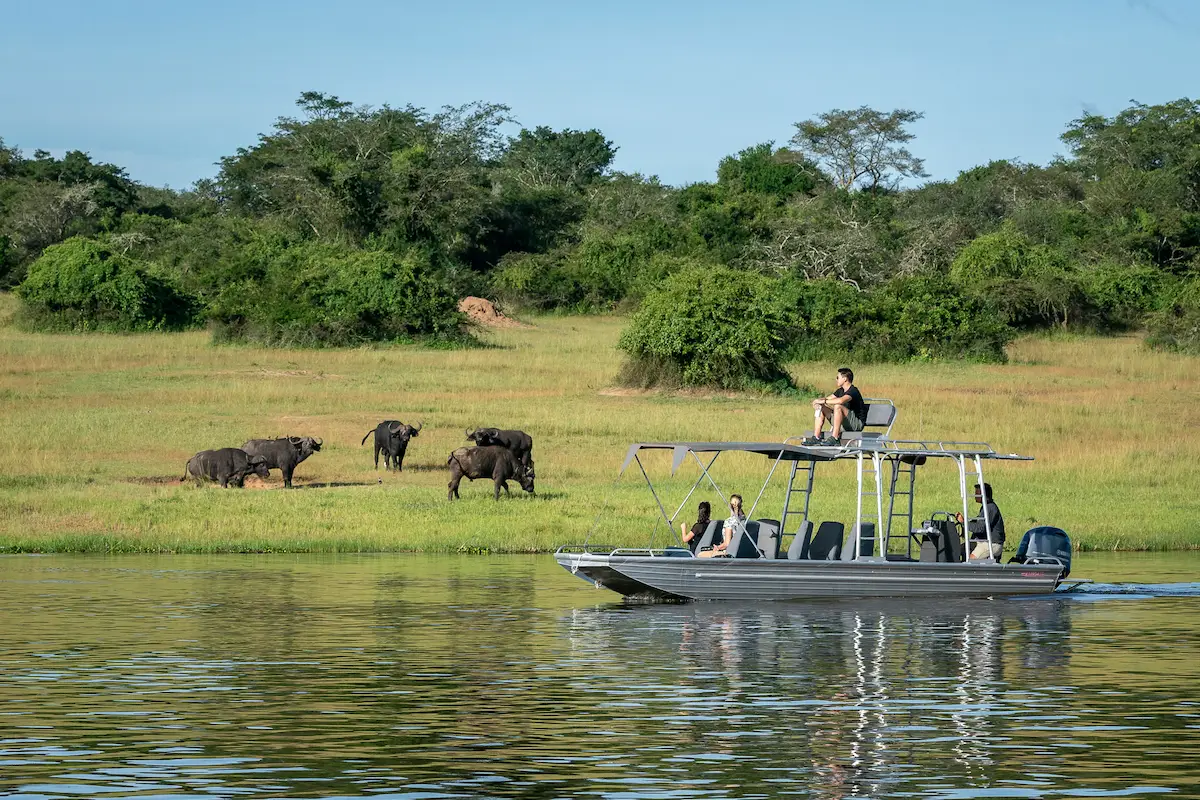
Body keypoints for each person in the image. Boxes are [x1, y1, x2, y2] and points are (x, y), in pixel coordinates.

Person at [804, 368, 867, 447]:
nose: (836, 379)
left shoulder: (853, 391)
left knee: (838, 406)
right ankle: (816, 437)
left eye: (838, 378)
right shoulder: (840, 391)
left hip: (855, 424)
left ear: (845, 379)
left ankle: (835, 438)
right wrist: (817, 402)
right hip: (844, 423)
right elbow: (827, 398)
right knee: (821, 407)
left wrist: (824, 401)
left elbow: (840, 401)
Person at [957, 482, 1005, 560]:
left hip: (992, 544)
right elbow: (977, 523)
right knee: (958, 550)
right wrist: (965, 524)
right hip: (982, 542)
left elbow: (980, 528)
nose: (975, 495)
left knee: (971, 560)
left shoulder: (990, 508)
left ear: (983, 495)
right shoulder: (986, 507)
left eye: (977, 493)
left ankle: (967, 568)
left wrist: (963, 522)